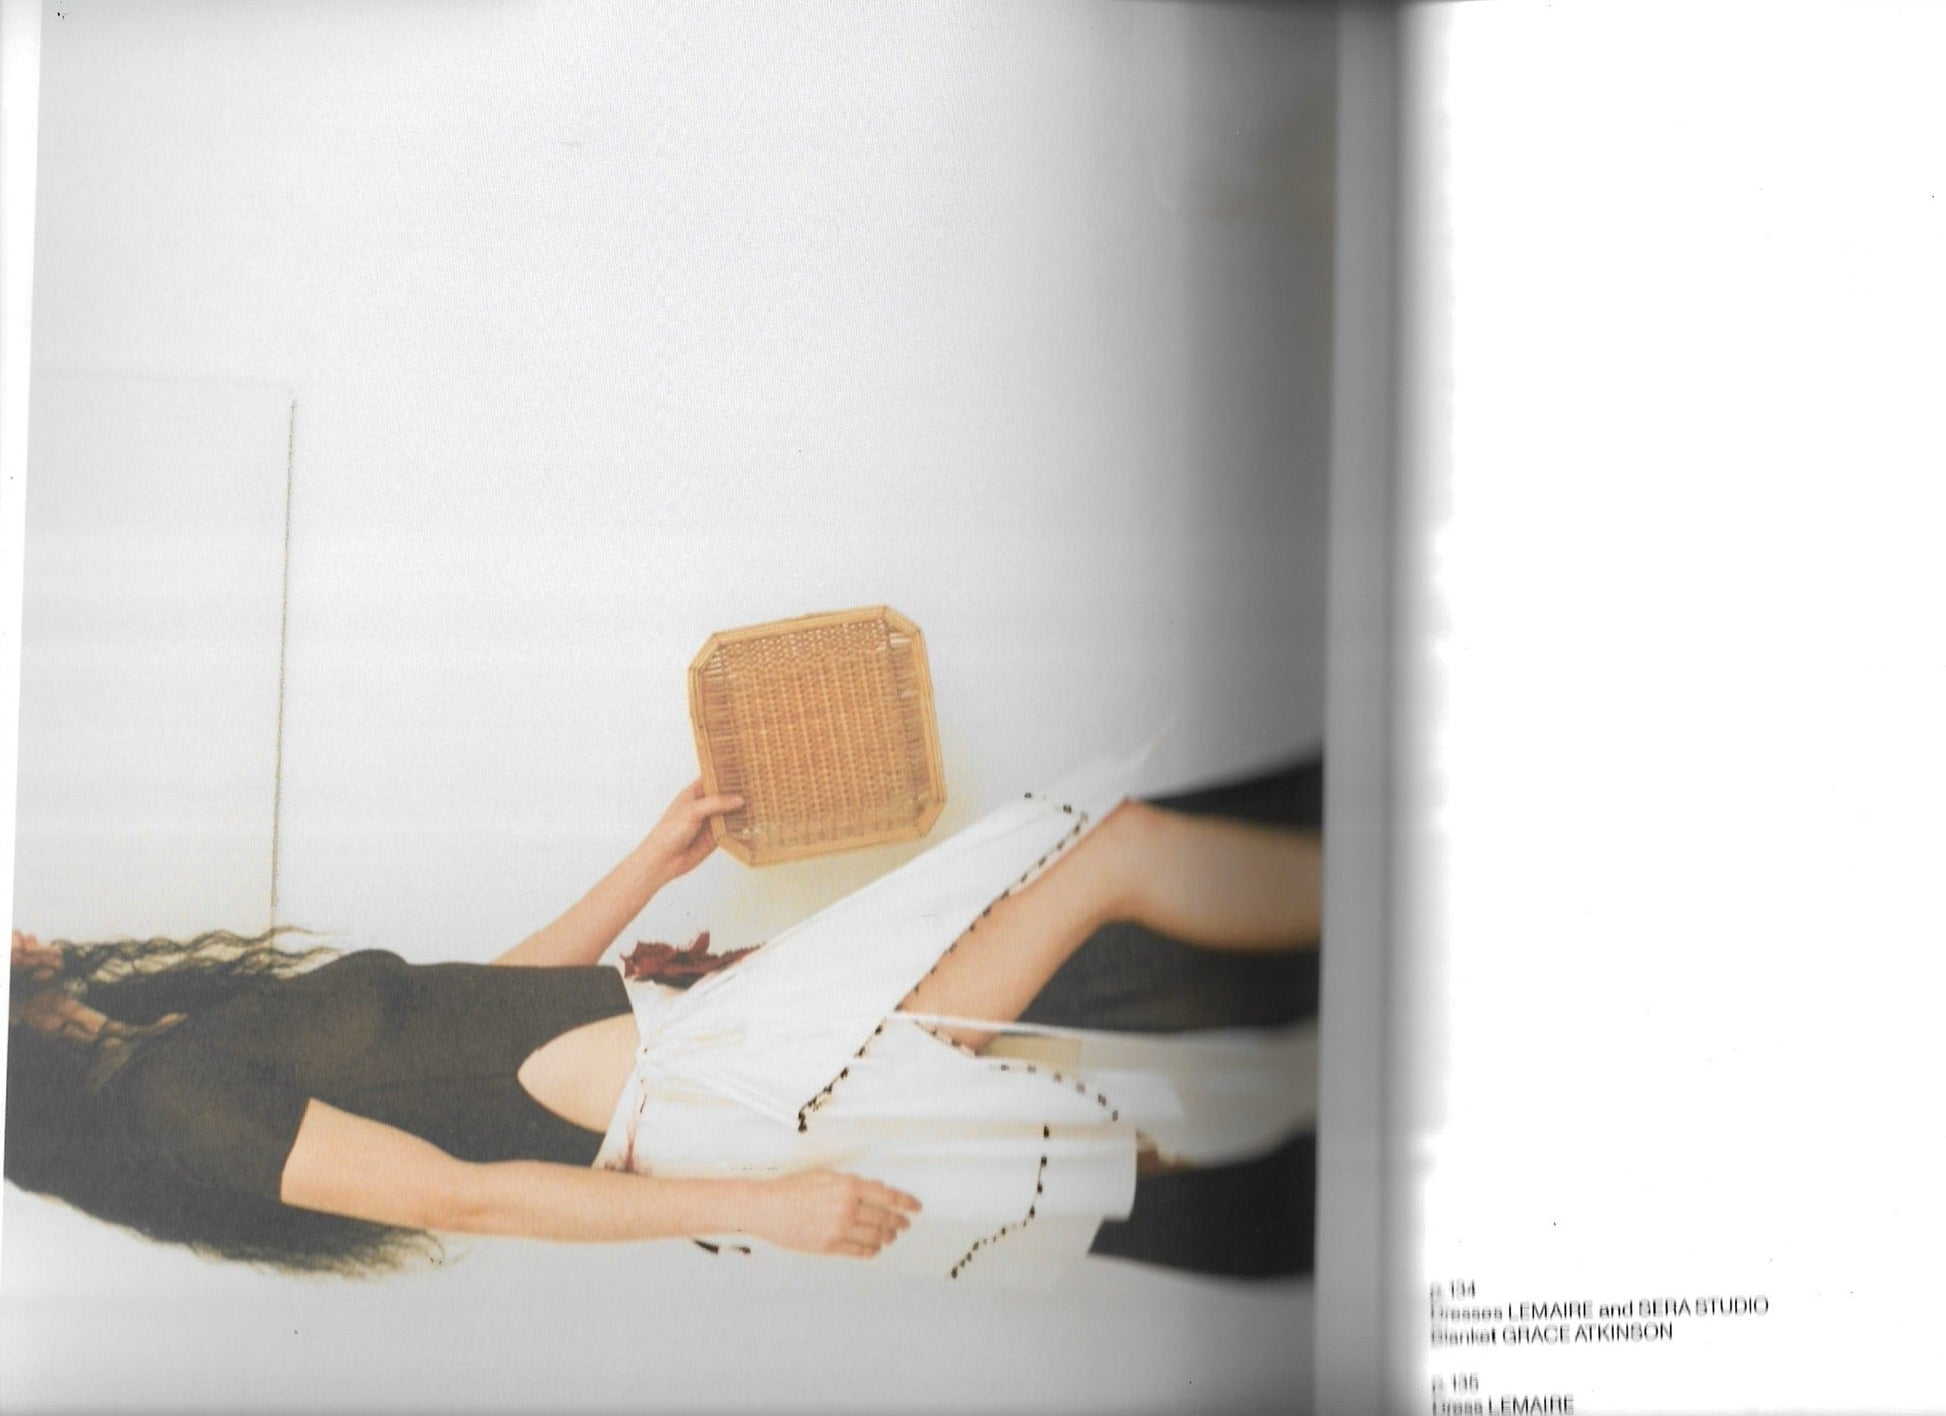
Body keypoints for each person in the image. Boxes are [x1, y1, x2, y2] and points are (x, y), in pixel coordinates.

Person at [5, 750, 1320, 1282]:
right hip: (723, 1096)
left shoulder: (170, 1050)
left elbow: (473, 1007)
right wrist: (765, 1207)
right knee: (1109, 864)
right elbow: (469, 1197)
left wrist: (649, 864)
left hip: (718, 1044)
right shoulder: (173, 1100)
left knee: (1120, 1122)